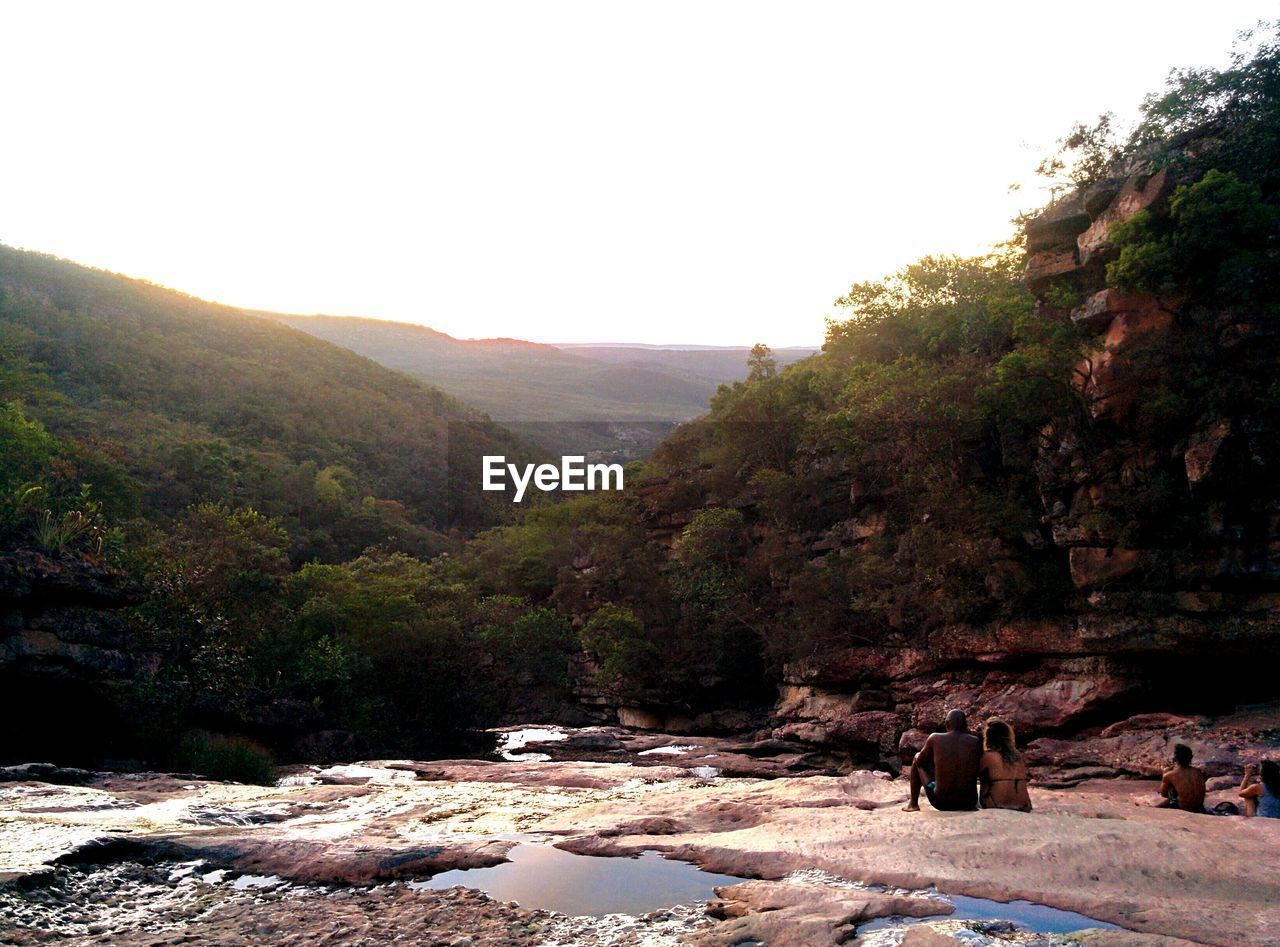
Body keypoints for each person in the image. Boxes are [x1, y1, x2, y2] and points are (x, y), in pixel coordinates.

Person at [902, 709, 982, 812]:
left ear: (947, 723)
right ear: (965, 724)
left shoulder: (935, 738)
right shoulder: (975, 741)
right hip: (969, 803)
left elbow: (920, 761)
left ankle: (913, 804)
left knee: (917, 757)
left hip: (942, 803)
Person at [978, 717, 1032, 812]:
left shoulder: (988, 756)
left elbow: (970, 776)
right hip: (1024, 805)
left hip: (996, 804)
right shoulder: (1017, 756)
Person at [1157, 744, 1206, 813]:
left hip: (1184, 808)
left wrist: (1164, 774)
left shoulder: (1170, 775)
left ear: (1175, 758)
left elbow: (1163, 794)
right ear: (1190, 757)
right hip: (1200, 808)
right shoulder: (1198, 771)